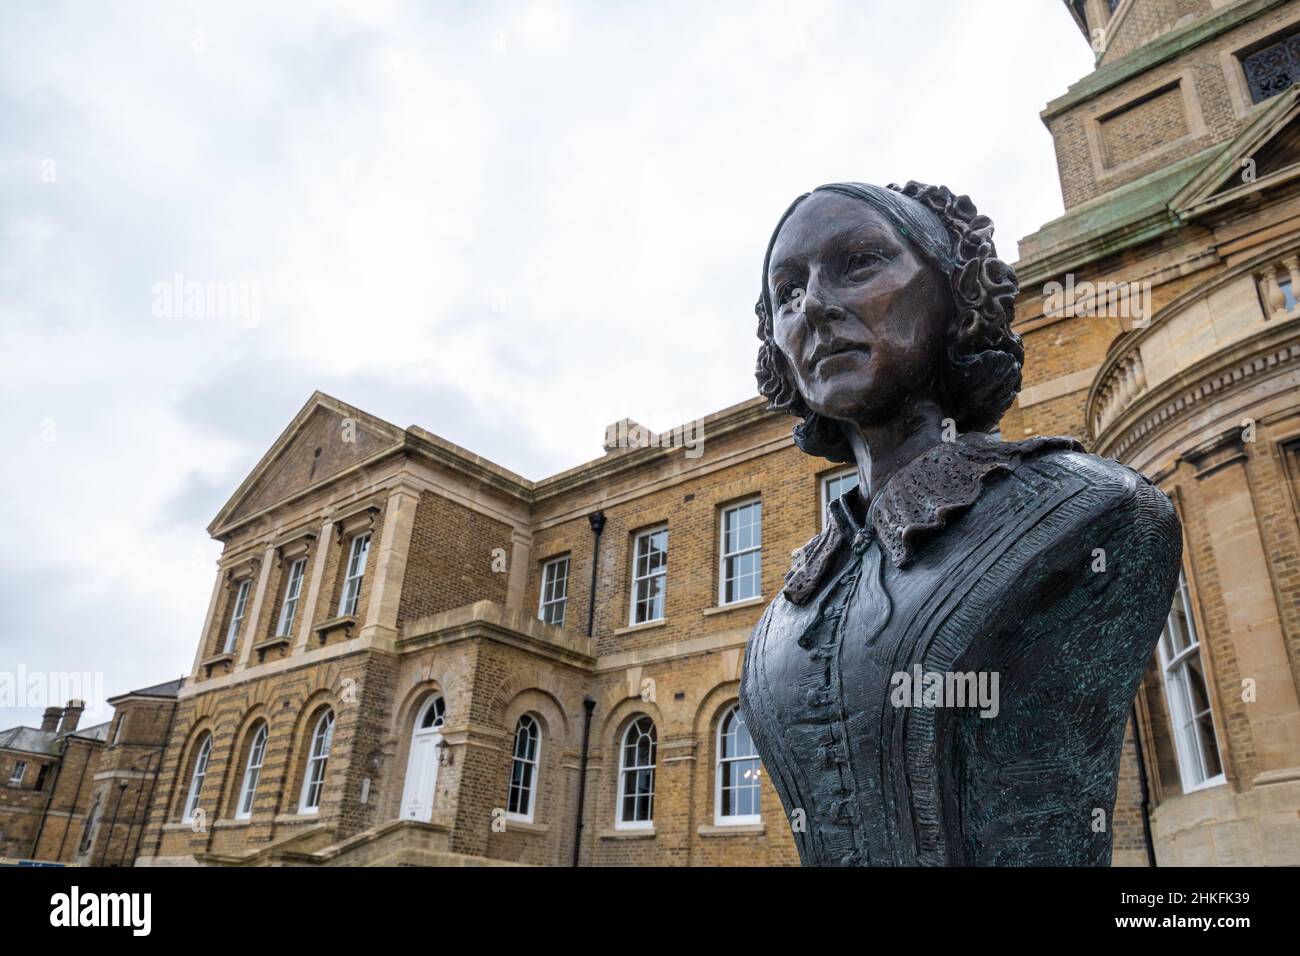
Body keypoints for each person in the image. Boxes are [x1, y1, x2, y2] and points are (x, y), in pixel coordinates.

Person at [738, 181, 1181, 866]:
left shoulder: (1092, 508)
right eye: (788, 294)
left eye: (859, 263)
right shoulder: (785, 614)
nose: (815, 307)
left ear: (955, 294)